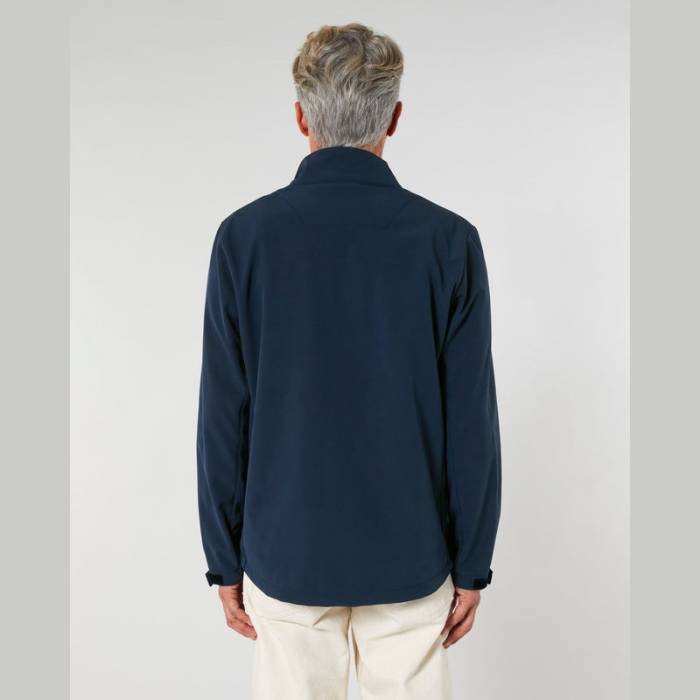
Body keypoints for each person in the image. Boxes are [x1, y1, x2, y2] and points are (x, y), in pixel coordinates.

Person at [197, 23, 501, 700]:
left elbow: (223, 415)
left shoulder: (244, 239)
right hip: (412, 555)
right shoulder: (449, 242)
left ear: (301, 117)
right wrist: (472, 564)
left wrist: (223, 558)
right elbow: (470, 422)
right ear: (393, 118)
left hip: (286, 553)